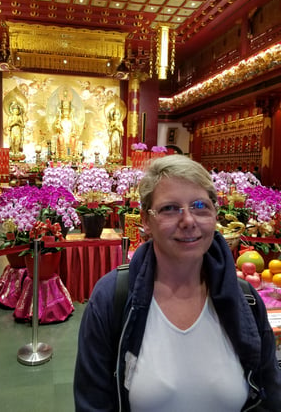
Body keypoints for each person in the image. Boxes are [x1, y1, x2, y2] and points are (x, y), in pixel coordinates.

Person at [74, 154, 281, 411]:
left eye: (200, 206)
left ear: (215, 214)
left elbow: (269, 396)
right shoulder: (113, 298)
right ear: (146, 220)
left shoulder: (245, 300)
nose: (188, 221)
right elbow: (92, 402)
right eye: (170, 208)